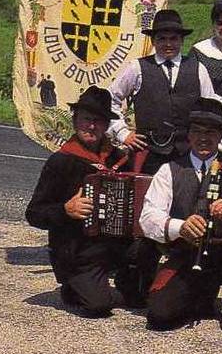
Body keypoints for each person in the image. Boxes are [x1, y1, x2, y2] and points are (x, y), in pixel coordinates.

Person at [140, 99, 222, 331]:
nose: (204, 138)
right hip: (190, 253)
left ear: (221, 135)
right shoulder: (169, 170)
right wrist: (179, 226)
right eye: (197, 131)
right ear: (189, 135)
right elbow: (148, 217)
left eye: (211, 132)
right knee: (160, 315)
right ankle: (202, 293)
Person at [25, 86, 149, 317]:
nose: (92, 126)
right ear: (75, 120)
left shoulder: (118, 158)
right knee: (98, 306)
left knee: (142, 296)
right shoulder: (61, 161)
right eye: (86, 120)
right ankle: (74, 287)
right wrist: (66, 210)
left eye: (99, 121)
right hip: (77, 251)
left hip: (113, 246)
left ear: (106, 126)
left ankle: (125, 285)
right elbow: (34, 213)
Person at [107, 9, 222, 175]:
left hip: (188, 153)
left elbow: (211, 108)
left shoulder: (197, 68)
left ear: (182, 40)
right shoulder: (137, 67)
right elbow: (110, 99)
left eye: (174, 39)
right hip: (149, 153)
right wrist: (121, 132)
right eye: (162, 39)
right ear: (153, 41)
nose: (168, 44)